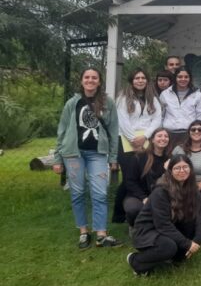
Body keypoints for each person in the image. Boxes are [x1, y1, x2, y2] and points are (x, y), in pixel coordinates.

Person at [53, 67, 121, 249]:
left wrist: (113, 157)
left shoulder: (108, 103)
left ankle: (101, 234)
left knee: (100, 193)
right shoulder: (72, 103)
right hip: (73, 153)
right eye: (87, 77)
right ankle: (84, 232)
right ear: (82, 80)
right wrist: (57, 159)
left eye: (94, 78)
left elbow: (114, 131)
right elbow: (62, 131)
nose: (90, 80)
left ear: (99, 82)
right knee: (78, 193)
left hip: (97, 154)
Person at [127, 154, 201, 276]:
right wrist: (187, 243)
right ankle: (135, 260)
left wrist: (196, 242)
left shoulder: (191, 188)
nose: (182, 171)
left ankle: (167, 254)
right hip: (148, 230)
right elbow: (162, 224)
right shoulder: (161, 191)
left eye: (185, 167)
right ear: (170, 171)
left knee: (180, 257)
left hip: (171, 226)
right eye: (177, 168)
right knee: (168, 248)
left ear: (190, 169)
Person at [114, 68, 162, 223]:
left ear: (147, 80)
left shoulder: (153, 98)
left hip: (146, 140)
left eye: (143, 78)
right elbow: (122, 120)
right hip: (127, 141)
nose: (140, 80)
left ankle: (145, 205)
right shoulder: (123, 98)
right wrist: (133, 139)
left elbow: (157, 119)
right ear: (131, 80)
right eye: (137, 78)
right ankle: (119, 213)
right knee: (129, 177)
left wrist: (145, 137)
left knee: (145, 174)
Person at [123, 128, 172, 226]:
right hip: (138, 195)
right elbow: (130, 181)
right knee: (133, 209)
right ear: (152, 140)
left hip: (161, 195)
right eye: (159, 136)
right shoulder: (139, 157)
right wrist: (143, 198)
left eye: (166, 136)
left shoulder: (170, 159)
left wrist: (168, 170)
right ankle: (133, 225)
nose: (163, 138)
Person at [172, 120, 201, 210]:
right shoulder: (178, 149)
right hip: (181, 183)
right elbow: (171, 168)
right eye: (193, 129)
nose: (196, 132)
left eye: (200, 129)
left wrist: (195, 188)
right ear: (189, 132)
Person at [160, 66, 201, 149]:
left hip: (189, 133)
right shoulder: (165, 94)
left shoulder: (197, 94)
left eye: (186, 77)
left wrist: (199, 132)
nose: (183, 79)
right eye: (180, 77)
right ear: (175, 78)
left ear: (190, 78)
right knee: (170, 158)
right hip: (169, 133)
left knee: (187, 159)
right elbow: (160, 115)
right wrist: (160, 133)